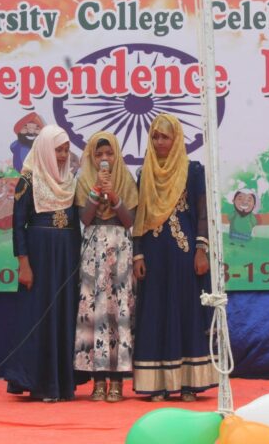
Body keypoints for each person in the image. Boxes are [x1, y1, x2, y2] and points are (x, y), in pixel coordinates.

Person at [131, 113, 218, 402]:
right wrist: (138, 254)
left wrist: (201, 249)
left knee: (185, 311)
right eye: (154, 136)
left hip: (184, 254)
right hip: (154, 255)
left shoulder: (192, 171)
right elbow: (139, 218)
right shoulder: (145, 173)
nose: (159, 142)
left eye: (164, 137)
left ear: (176, 138)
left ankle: (189, 383)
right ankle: (158, 384)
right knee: (156, 312)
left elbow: (203, 213)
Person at [5, 124, 82, 402]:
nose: (62, 156)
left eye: (65, 150)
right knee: (39, 317)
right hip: (39, 258)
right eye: (57, 150)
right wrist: (23, 264)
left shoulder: (70, 181)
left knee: (64, 314)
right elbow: (17, 226)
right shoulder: (29, 180)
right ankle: (39, 383)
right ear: (44, 150)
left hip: (66, 258)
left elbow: (78, 220)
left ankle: (62, 383)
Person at [73, 131, 138, 402]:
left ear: (117, 155)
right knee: (95, 312)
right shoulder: (84, 180)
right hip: (92, 248)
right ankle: (97, 381)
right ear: (91, 156)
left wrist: (113, 196)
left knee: (117, 311)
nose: (104, 159)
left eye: (109, 153)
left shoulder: (127, 179)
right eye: (98, 154)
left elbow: (129, 220)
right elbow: (85, 218)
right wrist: (95, 192)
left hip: (120, 247)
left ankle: (118, 381)